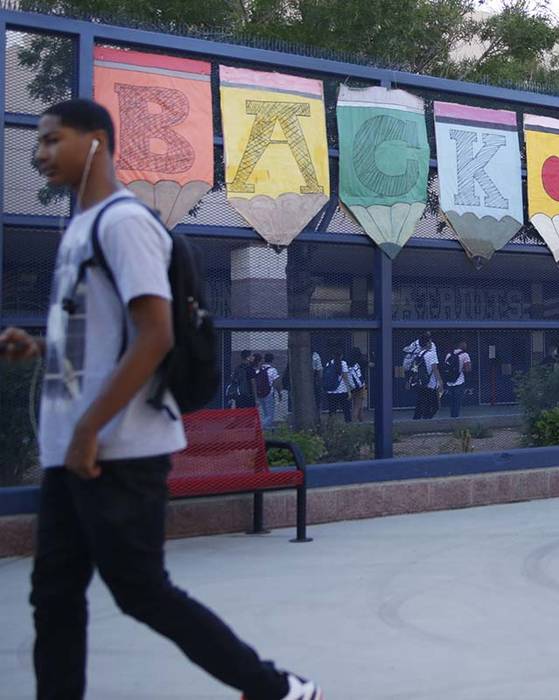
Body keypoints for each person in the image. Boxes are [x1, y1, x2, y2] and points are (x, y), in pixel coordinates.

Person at [0, 99, 319, 700]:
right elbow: (100, 337)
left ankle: (277, 688)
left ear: (96, 141)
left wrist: (90, 429)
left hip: (119, 445)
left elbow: (156, 333)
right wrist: (42, 349)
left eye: (53, 139)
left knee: (141, 590)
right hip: (74, 448)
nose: (40, 153)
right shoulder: (81, 229)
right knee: (54, 596)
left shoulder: (125, 224)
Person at [404, 332, 441, 420]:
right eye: (431, 342)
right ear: (428, 343)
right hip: (430, 384)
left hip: (420, 383)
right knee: (434, 406)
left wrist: (409, 380)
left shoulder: (419, 354)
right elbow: (435, 369)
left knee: (421, 403)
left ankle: (416, 420)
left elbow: (413, 368)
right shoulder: (431, 354)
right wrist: (440, 382)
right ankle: (426, 421)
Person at [443, 339, 471, 418]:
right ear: (461, 344)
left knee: (451, 402)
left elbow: (445, 368)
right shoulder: (465, 355)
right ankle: (456, 417)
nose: (466, 345)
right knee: (457, 401)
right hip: (459, 381)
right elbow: (468, 369)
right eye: (465, 343)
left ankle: (452, 416)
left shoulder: (449, 355)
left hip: (449, 381)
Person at [323, 348, 352, 423]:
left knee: (332, 411)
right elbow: (345, 378)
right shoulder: (343, 364)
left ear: (333, 355)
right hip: (342, 391)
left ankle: (330, 426)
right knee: (346, 410)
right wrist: (349, 391)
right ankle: (348, 424)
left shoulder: (328, 364)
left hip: (331, 391)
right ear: (341, 356)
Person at [256, 353, 281, 430]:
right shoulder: (273, 370)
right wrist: (279, 393)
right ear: (272, 360)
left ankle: (266, 431)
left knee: (265, 413)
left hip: (260, 394)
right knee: (270, 416)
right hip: (269, 394)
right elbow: (276, 383)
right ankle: (259, 428)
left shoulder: (258, 370)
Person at [347, 347, 367, 423]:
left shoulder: (347, 362)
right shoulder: (361, 361)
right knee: (358, 404)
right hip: (361, 385)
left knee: (358, 405)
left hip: (351, 386)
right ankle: (355, 421)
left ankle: (361, 419)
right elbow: (370, 364)